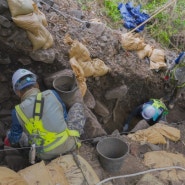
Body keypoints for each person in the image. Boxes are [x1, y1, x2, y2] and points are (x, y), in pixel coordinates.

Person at [5, 69, 86, 161]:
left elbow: (14, 139)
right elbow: (64, 117)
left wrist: (8, 141)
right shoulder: (52, 93)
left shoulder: (16, 112)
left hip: (44, 154)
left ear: (18, 93)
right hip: (68, 144)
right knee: (77, 106)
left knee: (15, 133)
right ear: (37, 85)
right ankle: (80, 137)